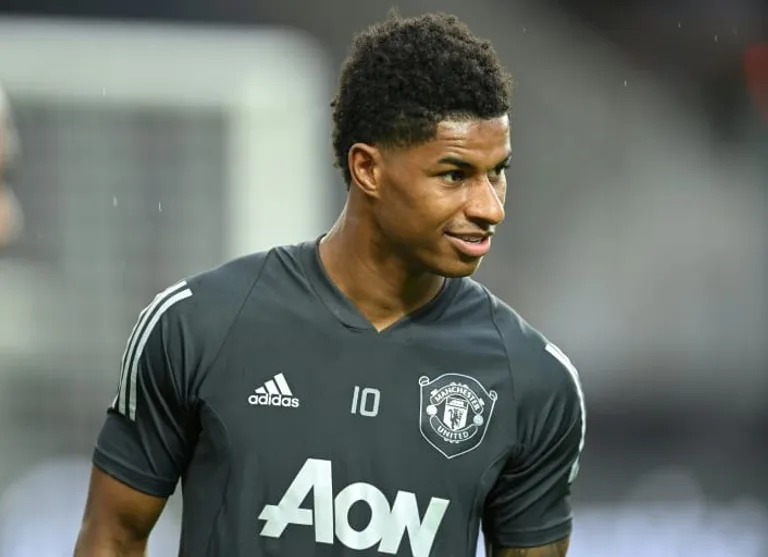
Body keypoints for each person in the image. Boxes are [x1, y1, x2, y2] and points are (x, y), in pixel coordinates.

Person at [74, 11, 585, 557]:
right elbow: (113, 537)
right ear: (368, 169)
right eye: (455, 175)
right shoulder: (199, 325)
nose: (490, 208)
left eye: (497, 171)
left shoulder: (534, 381)